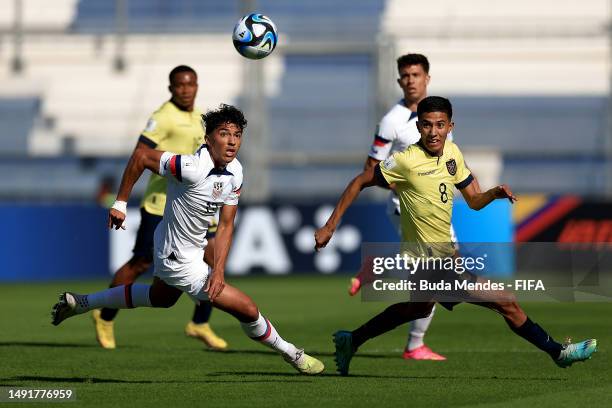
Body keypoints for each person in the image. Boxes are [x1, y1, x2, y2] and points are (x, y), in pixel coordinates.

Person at [315, 96, 597, 376]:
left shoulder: (452, 153)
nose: (433, 132)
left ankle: (350, 340)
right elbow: (360, 180)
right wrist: (330, 225)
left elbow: (473, 199)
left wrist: (494, 194)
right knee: (506, 301)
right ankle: (559, 352)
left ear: (450, 126)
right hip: (429, 261)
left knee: (417, 310)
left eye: (439, 125)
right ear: (418, 127)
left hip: (442, 256)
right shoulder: (405, 161)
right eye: (426, 125)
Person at [52, 104, 324, 375]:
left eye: (237, 135)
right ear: (208, 138)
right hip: (175, 255)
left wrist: (218, 270)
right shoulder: (191, 166)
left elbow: (227, 224)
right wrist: (121, 204)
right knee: (247, 308)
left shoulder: (236, 172)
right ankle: (292, 354)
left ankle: (82, 303)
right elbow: (141, 157)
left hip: (191, 248)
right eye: (224, 133)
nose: (232, 141)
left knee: (161, 298)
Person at [92, 65, 227, 351]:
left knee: (214, 261)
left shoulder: (199, 117)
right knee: (141, 263)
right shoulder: (162, 118)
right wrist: (121, 201)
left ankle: (199, 323)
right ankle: (105, 315)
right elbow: (139, 155)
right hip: (161, 206)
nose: (186, 90)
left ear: (197, 85)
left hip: (195, 205)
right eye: (180, 85)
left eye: (191, 84)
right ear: (171, 88)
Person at [352, 54, 456, 360]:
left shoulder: (438, 116)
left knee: (434, 278)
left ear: (427, 78)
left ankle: (376, 271)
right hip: (407, 208)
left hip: (437, 208)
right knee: (438, 276)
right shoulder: (392, 121)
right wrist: (405, 183)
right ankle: (414, 344)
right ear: (399, 81)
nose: (410, 80)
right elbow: (370, 168)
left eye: (416, 74)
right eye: (405, 76)